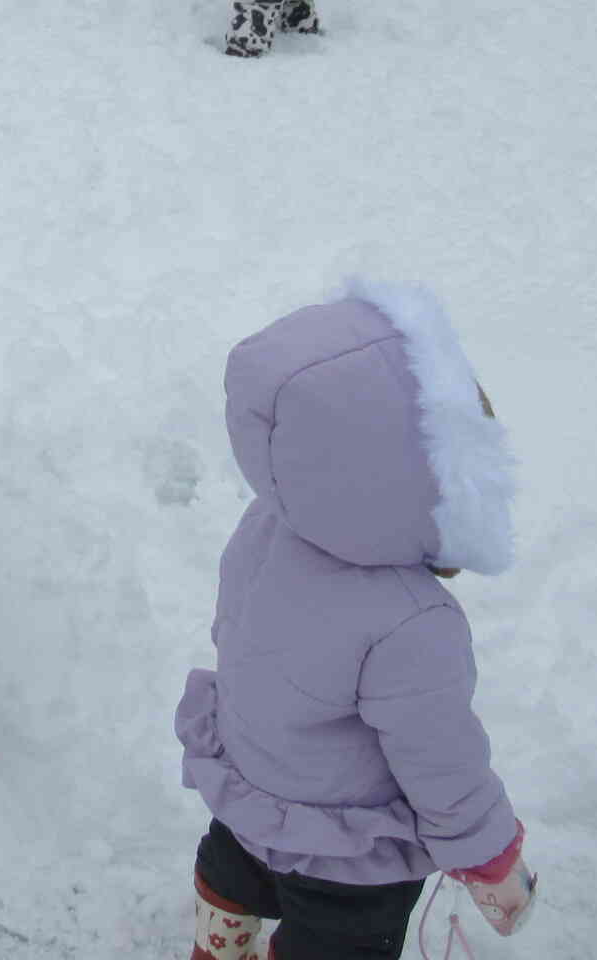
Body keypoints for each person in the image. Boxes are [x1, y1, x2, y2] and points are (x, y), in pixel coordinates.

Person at [174, 279, 537, 959]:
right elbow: (439, 759)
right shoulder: (412, 621)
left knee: (233, 881)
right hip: (350, 856)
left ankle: (219, 943)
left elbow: (238, 636)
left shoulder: (271, 524)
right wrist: (488, 852)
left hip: (250, 804)